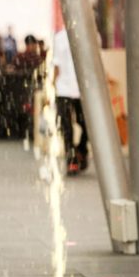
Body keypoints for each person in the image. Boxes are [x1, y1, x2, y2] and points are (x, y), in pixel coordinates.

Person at [53, 27, 89, 175]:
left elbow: (56, 67)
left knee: (82, 125)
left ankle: (80, 151)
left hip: (81, 90)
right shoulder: (60, 37)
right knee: (68, 126)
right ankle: (72, 157)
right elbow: (57, 66)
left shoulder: (90, 35)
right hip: (65, 89)